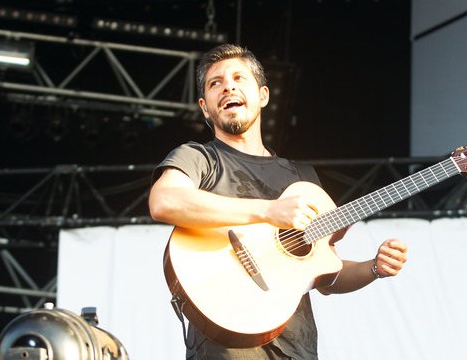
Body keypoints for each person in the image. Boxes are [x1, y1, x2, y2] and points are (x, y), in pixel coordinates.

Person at [149, 43, 408, 360]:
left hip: (296, 348)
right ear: (205, 107)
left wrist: (374, 268)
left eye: (239, 78)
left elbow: (326, 274)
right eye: (215, 82)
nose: (228, 85)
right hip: (226, 342)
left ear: (263, 96)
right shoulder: (199, 157)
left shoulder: (302, 178)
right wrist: (270, 211)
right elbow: (164, 201)